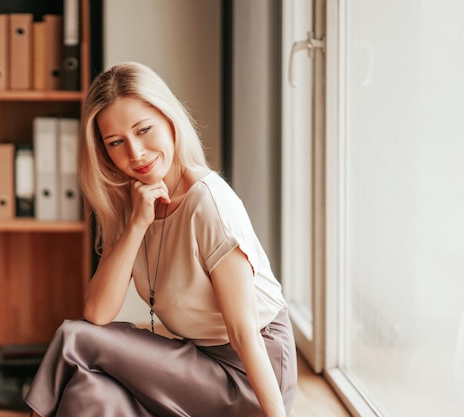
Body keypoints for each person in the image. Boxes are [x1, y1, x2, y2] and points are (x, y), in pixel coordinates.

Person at [25, 62, 297, 417]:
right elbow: (98, 311)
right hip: (197, 364)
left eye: (144, 130)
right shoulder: (130, 204)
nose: (135, 152)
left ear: (170, 121)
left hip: (249, 374)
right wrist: (138, 223)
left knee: (73, 337)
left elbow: (243, 332)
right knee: (89, 392)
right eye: (116, 142)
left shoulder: (209, 203)